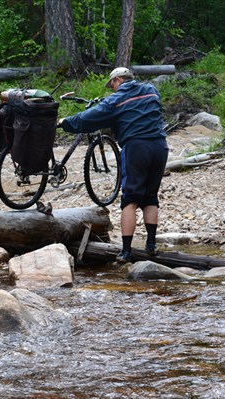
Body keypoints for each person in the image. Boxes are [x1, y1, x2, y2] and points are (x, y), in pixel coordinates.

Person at [58, 67, 169, 263]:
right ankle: (151, 245)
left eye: (113, 85)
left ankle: (126, 252)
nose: (113, 89)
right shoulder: (152, 90)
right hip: (160, 146)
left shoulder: (116, 99)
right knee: (150, 197)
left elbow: (88, 118)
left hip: (137, 147)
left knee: (130, 199)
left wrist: (66, 122)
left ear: (118, 80)